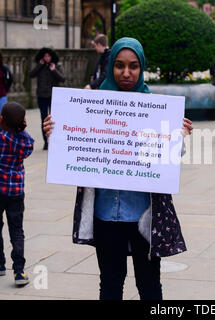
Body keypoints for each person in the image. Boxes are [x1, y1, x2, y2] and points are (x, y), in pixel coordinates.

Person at [43, 37, 193, 300]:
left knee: (149, 284)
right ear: (110, 66)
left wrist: (178, 136)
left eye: (133, 66)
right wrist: (55, 131)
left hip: (143, 216)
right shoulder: (91, 105)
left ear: (141, 67)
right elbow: (74, 147)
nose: (126, 73)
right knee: (110, 283)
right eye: (119, 66)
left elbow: (170, 158)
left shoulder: (156, 107)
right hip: (105, 213)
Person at [0, 102, 34, 286]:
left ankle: (0, 264)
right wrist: (20, 128)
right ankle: (19, 272)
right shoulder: (24, 142)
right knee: (17, 231)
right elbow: (29, 144)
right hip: (15, 192)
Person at [30, 47, 65, 150]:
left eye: (48, 56)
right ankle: (46, 141)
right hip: (42, 96)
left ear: (52, 56)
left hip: (54, 97)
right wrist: (39, 65)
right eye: (45, 56)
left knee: (54, 120)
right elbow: (31, 74)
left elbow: (63, 78)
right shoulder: (40, 66)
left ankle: (55, 140)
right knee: (44, 119)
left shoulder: (57, 66)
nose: (47, 58)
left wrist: (54, 70)